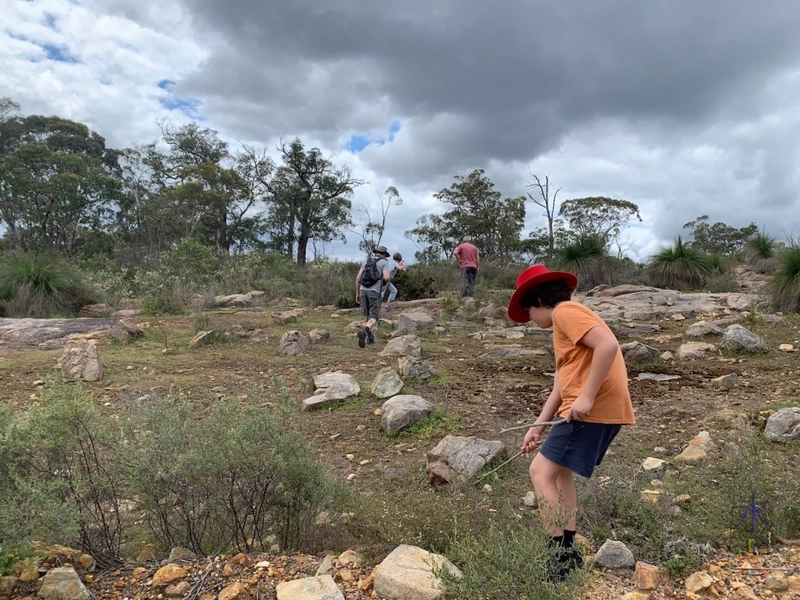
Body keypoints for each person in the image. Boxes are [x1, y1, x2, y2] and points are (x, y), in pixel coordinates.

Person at [506, 264, 635, 581]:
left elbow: (608, 345)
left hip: (589, 408)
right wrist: (537, 426)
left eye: (529, 311)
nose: (531, 320)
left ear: (538, 299)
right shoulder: (566, 324)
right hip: (587, 407)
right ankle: (569, 552)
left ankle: (559, 559)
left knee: (540, 472)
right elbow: (561, 386)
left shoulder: (565, 312)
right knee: (560, 475)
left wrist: (588, 397)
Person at [355, 245, 391, 348]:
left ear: (377, 253)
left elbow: (358, 278)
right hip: (374, 292)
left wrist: (357, 294)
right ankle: (365, 331)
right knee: (374, 316)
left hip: (362, 290)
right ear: (384, 254)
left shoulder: (366, 261)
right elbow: (387, 277)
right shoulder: (384, 263)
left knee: (367, 316)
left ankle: (370, 338)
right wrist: (384, 282)